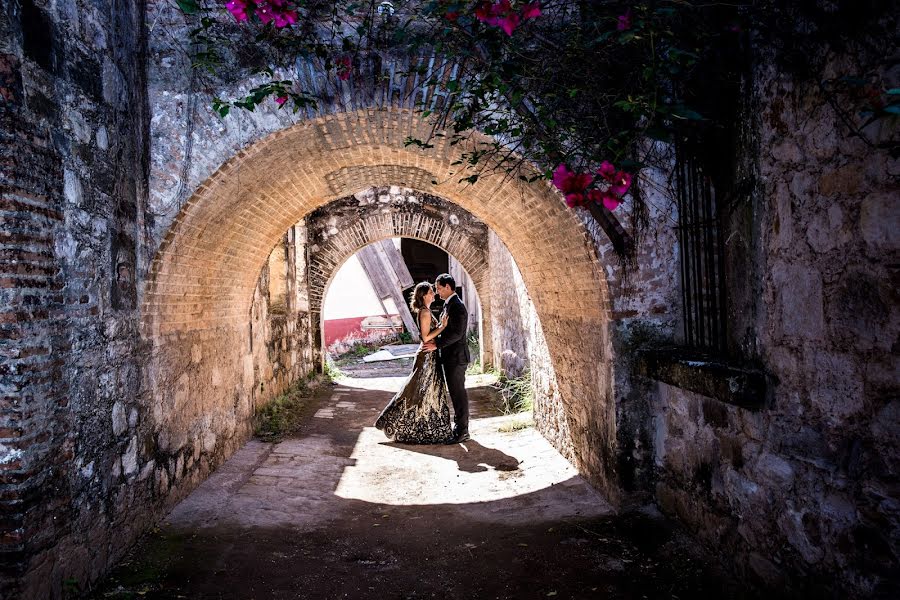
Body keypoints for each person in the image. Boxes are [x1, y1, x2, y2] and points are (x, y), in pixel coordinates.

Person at [374, 282, 454, 443]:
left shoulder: (426, 311)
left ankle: (427, 428)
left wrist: (438, 326)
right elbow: (426, 337)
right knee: (417, 390)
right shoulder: (424, 312)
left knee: (427, 391)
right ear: (424, 295)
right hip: (425, 357)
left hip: (429, 355)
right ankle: (394, 421)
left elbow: (429, 333)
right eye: (431, 292)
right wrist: (443, 327)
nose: (434, 294)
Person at [422, 273, 471, 443]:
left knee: (458, 393)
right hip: (450, 357)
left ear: (448, 287)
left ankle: (463, 431)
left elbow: (457, 333)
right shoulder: (448, 304)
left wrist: (437, 345)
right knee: (455, 392)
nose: (437, 292)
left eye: (439, 288)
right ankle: (459, 428)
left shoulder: (457, 306)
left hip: (457, 357)